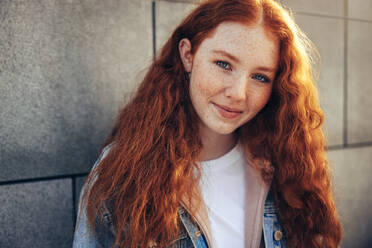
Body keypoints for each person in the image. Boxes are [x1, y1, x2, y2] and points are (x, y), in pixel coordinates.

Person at [73, 0, 342, 247]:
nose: (238, 93)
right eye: (223, 64)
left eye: (260, 77)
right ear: (188, 55)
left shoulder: (287, 165)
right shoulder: (124, 172)